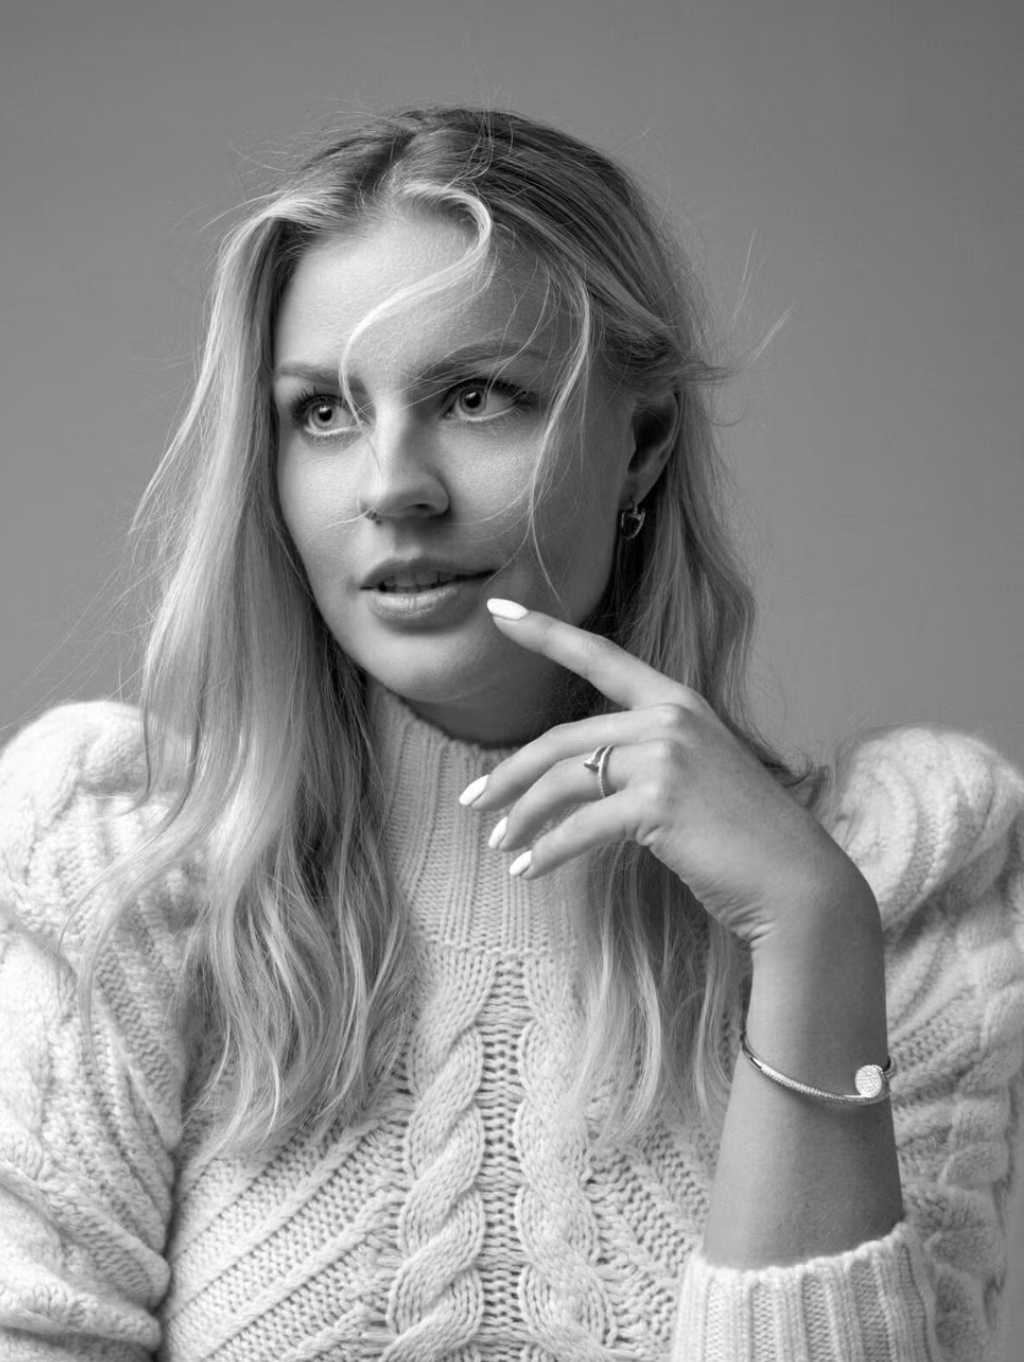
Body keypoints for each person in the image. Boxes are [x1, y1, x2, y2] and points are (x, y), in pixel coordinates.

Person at [0, 106, 1021, 1362]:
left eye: (476, 395)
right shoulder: (123, 869)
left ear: (641, 439)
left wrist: (810, 936)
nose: (391, 484)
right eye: (323, 412)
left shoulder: (900, 895)